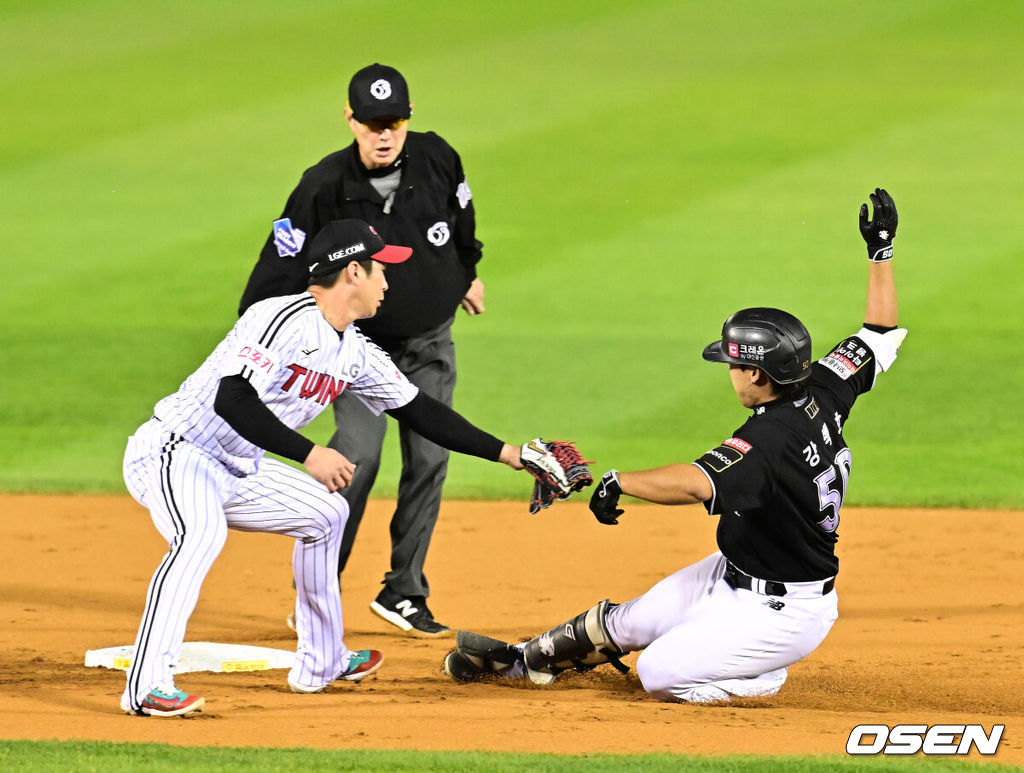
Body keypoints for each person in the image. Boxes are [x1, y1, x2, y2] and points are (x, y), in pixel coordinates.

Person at [442, 189, 906, 704]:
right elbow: (879, 332)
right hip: (735, 572)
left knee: (660, 672)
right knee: (632, 621)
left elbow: (696, 482)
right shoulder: (822, 386)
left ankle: (759, 676)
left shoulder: (769, 439)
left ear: (756, 372)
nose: (729, 373)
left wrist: (620, 482)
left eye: (733, 364)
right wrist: (880, 250)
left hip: (786, 613)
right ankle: (525, 660)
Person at [121, 219, 557, 717]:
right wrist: (310, 453)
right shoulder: (281, 318)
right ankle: (147, 686)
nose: (388, 282)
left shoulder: (353, 349)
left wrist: (512, 454)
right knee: (199, 535)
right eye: (381, 270)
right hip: (176, 451)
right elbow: (232, 398)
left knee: (325, 513)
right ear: (353, 271)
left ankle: (322, 662)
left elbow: (419, 410)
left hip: (238, 466)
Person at [239, 63, 485, 637]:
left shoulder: (437, 157)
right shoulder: (322, 186)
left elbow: (463, 223)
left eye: (394, 121)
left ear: (409, 118)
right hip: (353, 354)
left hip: (430, 343)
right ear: (350, 119)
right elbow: (278, 265)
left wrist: (462, 275)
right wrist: (257, 338)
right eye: (372, 122)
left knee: (430, 459)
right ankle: (316, 595)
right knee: (355, 461)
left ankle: (404, 591)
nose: (384, 133)